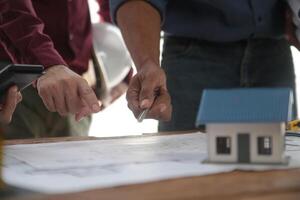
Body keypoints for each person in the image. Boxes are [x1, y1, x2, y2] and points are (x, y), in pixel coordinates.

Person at [110, 0, 299, 131]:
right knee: (189, 178)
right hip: (192, 62)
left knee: (283, 174)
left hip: (274, 57)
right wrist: (147, 63)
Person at [0, 0, 107, 139]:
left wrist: (119, 60)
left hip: (75, 81)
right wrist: (46, 62)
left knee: (75, 159)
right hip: (15, 75)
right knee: (17, 158)